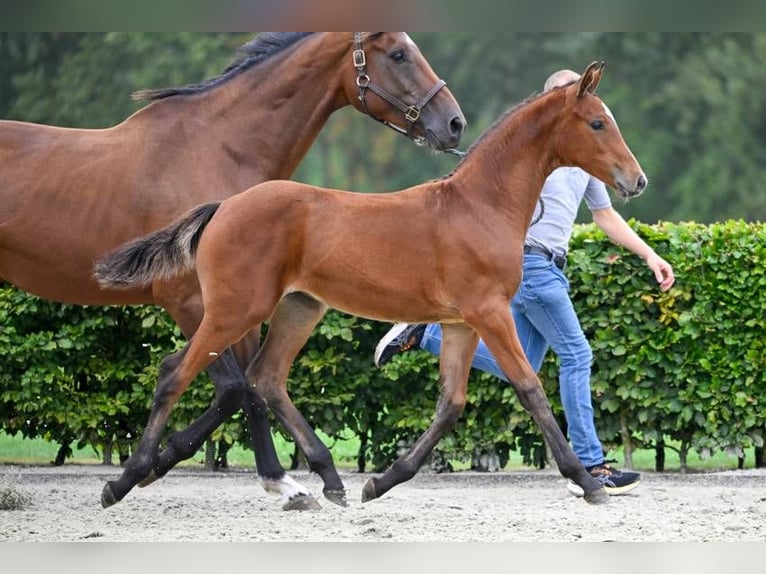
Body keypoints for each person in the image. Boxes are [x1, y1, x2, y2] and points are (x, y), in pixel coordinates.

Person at [373, 68, 676, 497]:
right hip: (531, 266)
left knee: (523, 364)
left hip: (552, 263)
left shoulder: (581, 156)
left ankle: (426, 334)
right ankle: (592, 464)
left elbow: (604, 216)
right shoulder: (536, 151)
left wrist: (650, 254)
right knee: (577, 355)